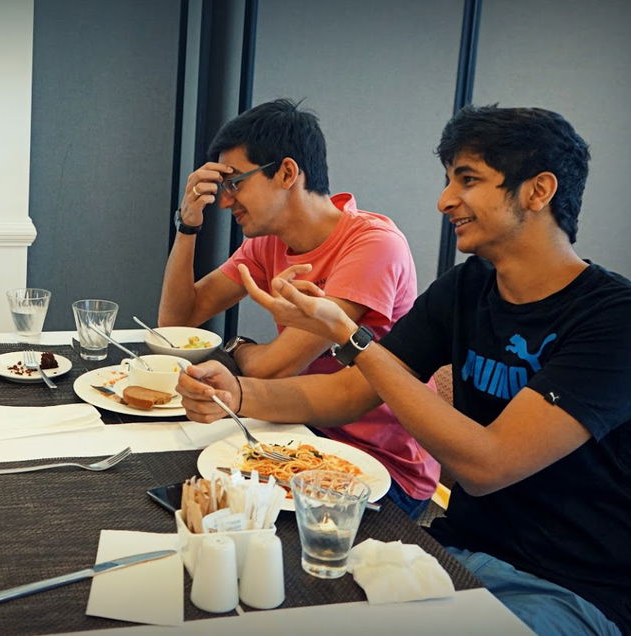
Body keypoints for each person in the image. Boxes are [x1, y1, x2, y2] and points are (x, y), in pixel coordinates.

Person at [178, 105, 631, 635]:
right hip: (460, 553)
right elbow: (349, 392)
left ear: (538, 190)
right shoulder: (468, 287)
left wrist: (349, 336)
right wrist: (236, 394)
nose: (444, 200)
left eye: (468, 180)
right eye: (448, 180)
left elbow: (488, 465)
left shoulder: (623, 320)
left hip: (574, 590)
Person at [158, 99, 438, 517]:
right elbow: (175, 323)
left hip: (382, 467)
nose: (225, 202)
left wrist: (239, 349)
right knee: (185, 497)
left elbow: (274, 367)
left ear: (287, 173)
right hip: (298, 433)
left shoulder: (373, 245)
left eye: (235, 183)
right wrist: (188, 224)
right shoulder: (267, 242)